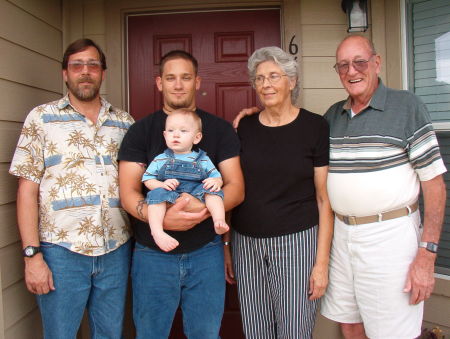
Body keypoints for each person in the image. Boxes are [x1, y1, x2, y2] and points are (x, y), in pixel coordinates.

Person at [319, 36, 446, 339]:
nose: (352, 71)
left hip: (389, 237)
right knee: (349, 322)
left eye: (360, 62)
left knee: (394, 333)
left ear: (376, 63)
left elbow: (435, 186)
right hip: (342, 236)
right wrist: (254, 118)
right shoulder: (332, 116)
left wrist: (427, 255)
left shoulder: (406, 106)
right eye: (343, 65)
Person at [9, 39, 134, 338]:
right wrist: (32, 256)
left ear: (103, 72)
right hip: (61, 252)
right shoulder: (41, 118)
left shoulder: (124, 122)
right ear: (65, 73)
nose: (85, 72)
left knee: (110, 334)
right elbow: (27, 190)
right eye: (77, 65)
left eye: (93, 65)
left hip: (116, 249)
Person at [118, 50, 244, 338]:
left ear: (197, 82)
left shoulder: (219, 130)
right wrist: (161, 219)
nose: (178, 85)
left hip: (206, 253)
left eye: (185, 77)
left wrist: (199, 207)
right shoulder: (142, 131)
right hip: (152, 254)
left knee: (205, 334)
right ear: (159, 83)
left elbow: (235, 187)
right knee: (150, 333)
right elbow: (128, 191)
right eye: (170, 78)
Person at [230, 46, 334, 339]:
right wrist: (227, 245)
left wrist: (321, 264)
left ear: (292, 80)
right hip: (246, 243)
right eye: (259, 78)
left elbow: (324, 199)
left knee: (295, 330)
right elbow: (232, 186)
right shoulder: (244, 126)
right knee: (256, 329)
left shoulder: (315, 127)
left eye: (274, 76)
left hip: (297, 241)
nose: (266, 84)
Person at [143, 109, 229, 252]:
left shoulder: (202, 158)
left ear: (196, 137)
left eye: (183, 131)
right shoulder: (161, 158)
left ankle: (218, 220)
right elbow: (147, 179)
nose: (176, 134)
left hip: (196, 191)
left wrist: (216, 182)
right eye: (170, 131)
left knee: (213, 192)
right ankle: (157, 232)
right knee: (155, 196)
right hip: (169, 192)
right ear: (164, 135)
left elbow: (216, 176)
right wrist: (161, 184)